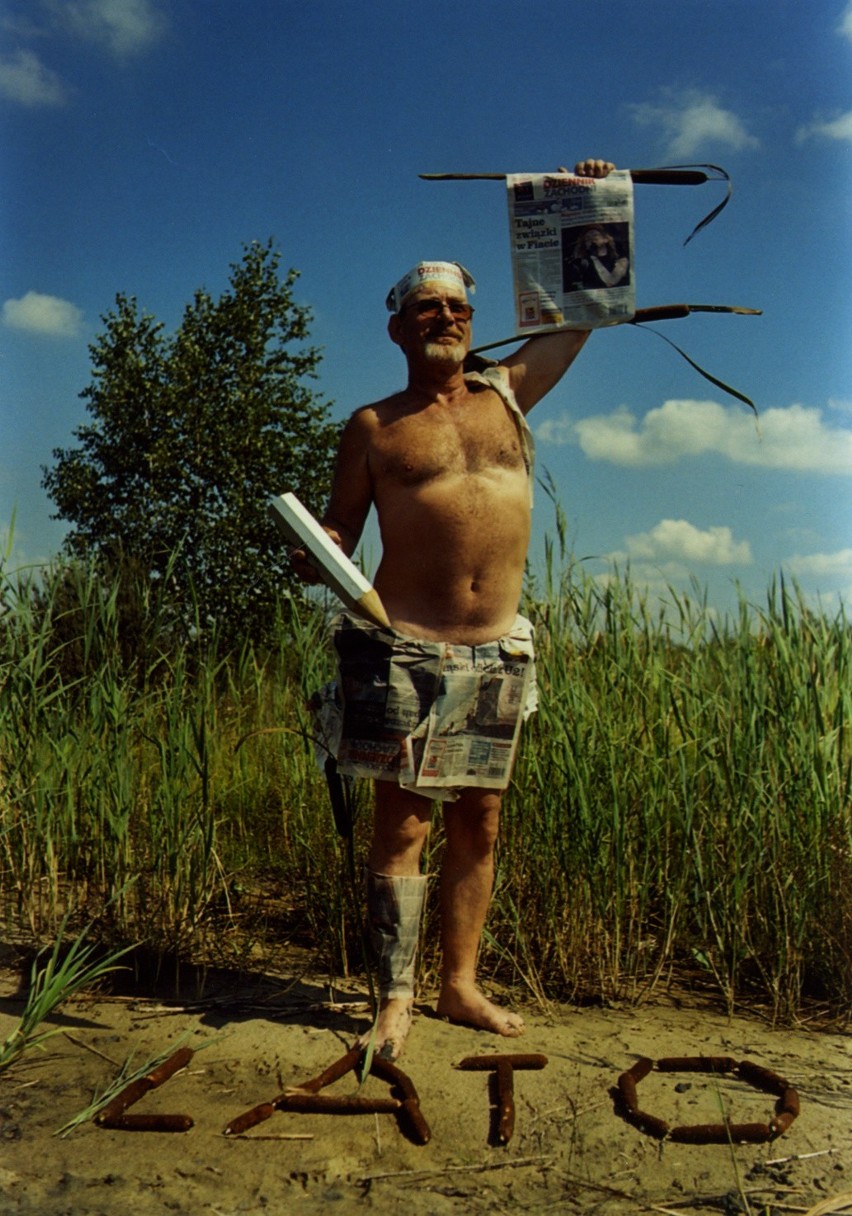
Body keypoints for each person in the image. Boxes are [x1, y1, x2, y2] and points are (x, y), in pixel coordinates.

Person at [293, 159, 615, 1059]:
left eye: (458, 308)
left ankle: (459, 984)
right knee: (404, 822)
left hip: (496, 652)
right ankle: (393, 999)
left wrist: (588, 202)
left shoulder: (511, 395)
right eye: (428, 309)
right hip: (401, 647)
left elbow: (588, 310)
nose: (447, 318)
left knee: (480, 817)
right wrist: (310, 545)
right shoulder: (373, 426)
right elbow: (339, 533)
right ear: (397, 326)